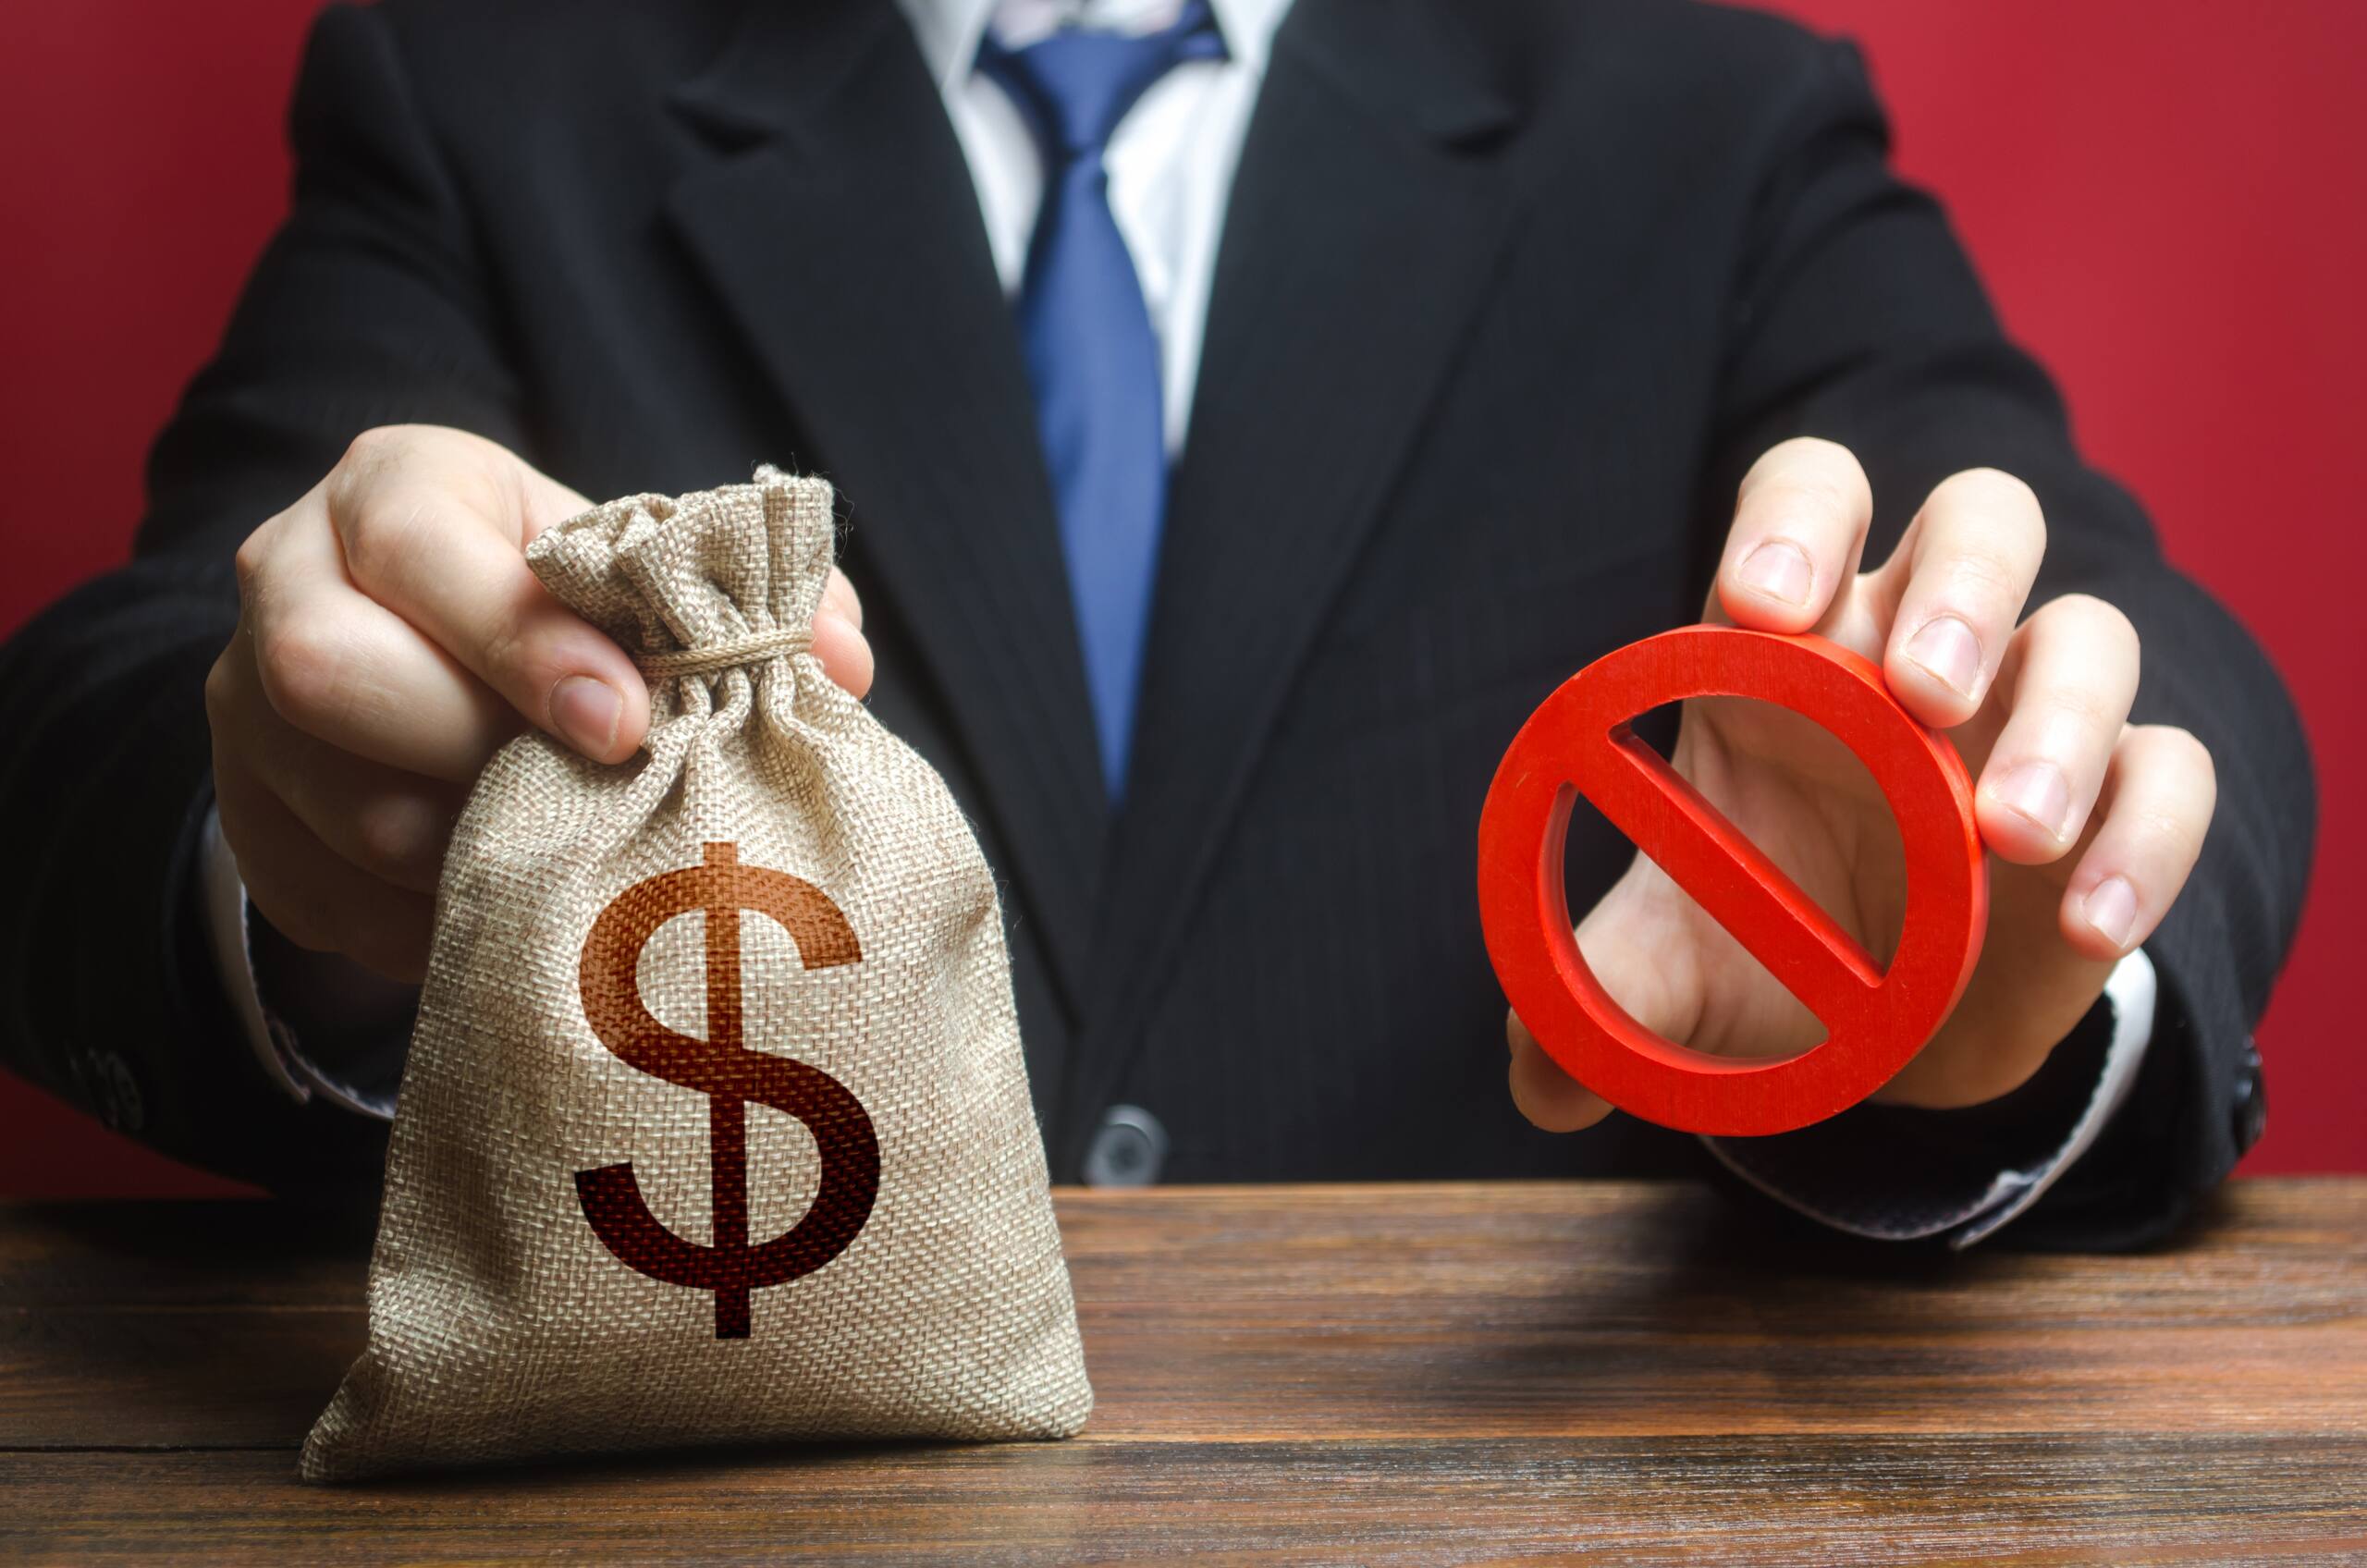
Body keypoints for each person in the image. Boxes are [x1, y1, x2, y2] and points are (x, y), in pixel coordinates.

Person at [0, 0, 2311, 1249]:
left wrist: (2007, 886)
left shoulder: (1702, 113)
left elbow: (2126, 638)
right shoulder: (491, 84)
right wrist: (293, 846)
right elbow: (94, 732)